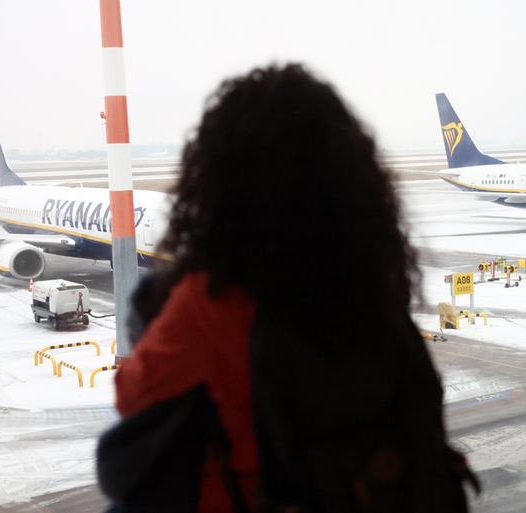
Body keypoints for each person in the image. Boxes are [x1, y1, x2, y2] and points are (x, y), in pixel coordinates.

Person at [97, 64, 477, 513]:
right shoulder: (376, 310)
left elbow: (134, 406)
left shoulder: (211, 305)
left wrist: (158, 304)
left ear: (219, 181)